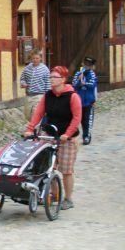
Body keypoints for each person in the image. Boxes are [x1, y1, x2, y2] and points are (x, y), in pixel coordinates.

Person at [24, 66, 82, 210]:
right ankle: (55, 195)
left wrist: (67, 134)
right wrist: (30, 129)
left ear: (63, 79)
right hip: (49, 135)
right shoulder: (48, 95)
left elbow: (76, 118)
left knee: (66, 170)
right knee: (47, 166)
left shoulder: (72, 96)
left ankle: (68, 199)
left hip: (67, 138)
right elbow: (38, 113)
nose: (51, 79)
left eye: (54, 77)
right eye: (50, 77)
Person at [72, 56, 98, 145]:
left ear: (92, 66)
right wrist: (79, 81)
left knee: (86, 120)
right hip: (78, 101)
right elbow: (74, 85)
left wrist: (84, 83)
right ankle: (72, 136)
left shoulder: (92, 74)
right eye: (85, 64)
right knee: (75, 119)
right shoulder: (78, 73)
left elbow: (92, 85)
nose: (86, 66)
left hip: (88, 101)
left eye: (89, 65)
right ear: (82, 64)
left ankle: (86, 136)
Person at [19, 49, 51, 119]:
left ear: (40, 58)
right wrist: (23, 83)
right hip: (29, 96)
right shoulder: (27, 68)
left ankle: (36, 125)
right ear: (31, 58)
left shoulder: (45, 69)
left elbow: (48, 84)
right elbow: (22, 79)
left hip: (39, 95)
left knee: (35, 115)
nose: (35, 60)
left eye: (37, 58)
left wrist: (47, 97)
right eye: (33, 58)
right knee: (27, 115)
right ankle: (33, 124)